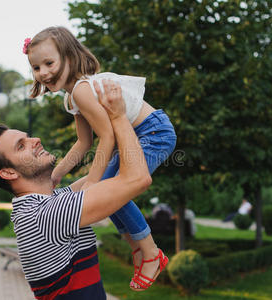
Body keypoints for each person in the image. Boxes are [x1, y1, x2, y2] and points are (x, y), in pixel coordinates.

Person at [0, 80, 168, 299]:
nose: (35, 140)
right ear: (9, 173)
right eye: (21, 145)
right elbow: (137, 178)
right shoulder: (46, 215)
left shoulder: (43, 206)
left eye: (28, 137)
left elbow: (110, 178)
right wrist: (118, 116)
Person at [23, 26, 177, 290]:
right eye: (36, 68)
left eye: (49, 63)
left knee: (112, 188)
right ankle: (138, 249)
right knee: (109, 190)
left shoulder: (83, 89)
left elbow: (107, 137)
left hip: (154, 133)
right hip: (135, 136)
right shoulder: (73, 98)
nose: (44, 72)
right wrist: (56, 174)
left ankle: (151, 253)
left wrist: (94, 183)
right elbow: (84, 143)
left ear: (69, 57)